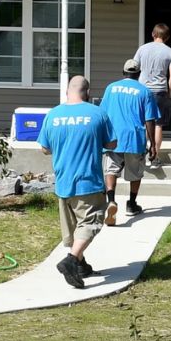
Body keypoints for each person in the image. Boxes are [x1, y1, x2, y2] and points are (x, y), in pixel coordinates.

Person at [37, 76, 117, 289]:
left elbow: (45, 148)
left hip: (63, 181)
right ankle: (71, 261)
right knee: (91, 222)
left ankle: (81, 266)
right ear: (87, 93)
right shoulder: (97, 113)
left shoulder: (53, 115)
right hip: (88, 180)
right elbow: (112, 142)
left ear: (67, 92)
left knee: (74, 229)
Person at [99, 59, 161, 222]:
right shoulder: (144, 91)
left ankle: (111, 200)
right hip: (134, 139)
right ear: (139, 74)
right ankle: (132, 204)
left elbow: (102, 114)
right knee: (135, 173)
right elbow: (150, 119)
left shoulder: (111, 88)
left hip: (113, 138)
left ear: (123, 72)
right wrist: (153, 145)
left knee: (111, 170)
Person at [133, 23, 171, 168]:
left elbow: (134, 68)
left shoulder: (142, 49)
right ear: (167, 37)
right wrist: (168, 93)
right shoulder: (170, 52)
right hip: (160, 91)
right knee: (158, 125)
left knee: (143, 123)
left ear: (153, 34)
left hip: (142, 91)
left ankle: (141, 155)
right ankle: (154, 157)